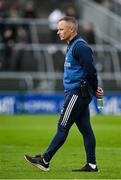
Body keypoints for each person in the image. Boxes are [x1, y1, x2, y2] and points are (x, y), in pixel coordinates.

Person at [24, 16, 104, 172]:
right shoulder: (72, 45)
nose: (58, 32)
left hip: (77, 93)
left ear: (72, 29)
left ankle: (45, 160)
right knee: (86, 130)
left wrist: (94, 88)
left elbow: (91, 70)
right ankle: (92, 165)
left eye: (61, 29)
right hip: (77, 92)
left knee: (62, 126)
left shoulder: (80, 46)